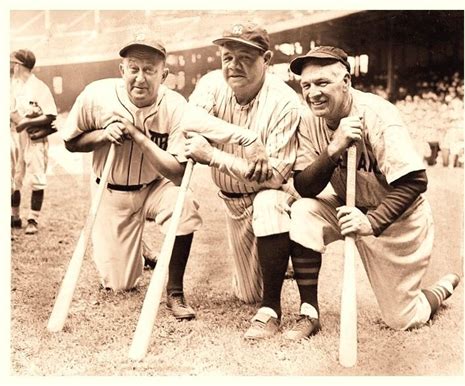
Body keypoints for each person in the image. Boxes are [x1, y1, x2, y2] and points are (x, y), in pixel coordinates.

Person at [285, 46, 460, 340]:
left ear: (347, 81)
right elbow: (305, 187)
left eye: (322, 83)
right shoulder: (307, 120)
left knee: (403, 318)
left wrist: (371, 222)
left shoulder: (378, 114)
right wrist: (333, 149)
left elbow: (416, 181)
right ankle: (308, 312)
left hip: (398, 220)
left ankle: (440, 289)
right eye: (306, 85)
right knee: (304, 212)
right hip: (345, 205)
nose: (313, 92)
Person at [61, 32, 202, 320]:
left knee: (183, 204)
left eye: (149, 70)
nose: (140, 77)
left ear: (164, 74)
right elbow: (70, 142)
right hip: (111, 192)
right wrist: (102, 135)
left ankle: (175, 292)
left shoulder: (175, 106)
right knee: (119, 284)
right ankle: (139, 248)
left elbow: (177, 174)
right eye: (134, 68)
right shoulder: (96, 94)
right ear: (121, 70)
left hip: (155, 187)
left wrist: (138, 136)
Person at [183, 22, 301, 339]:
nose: (234, 65)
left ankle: (278, 271)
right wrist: (247, 139)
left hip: (272, 195)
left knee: (269, 203)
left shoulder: (285, 101)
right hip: (231, 201)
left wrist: (215, 156)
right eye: (227, 56)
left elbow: (274, 176)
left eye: (245, 57)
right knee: (246, 294)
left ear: (267, 58)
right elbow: (188, 120)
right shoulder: (211, 83)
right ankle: (278, 257)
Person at [10, 49, 58, 235]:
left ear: (21, 65)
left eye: (14, 63)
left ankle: (33, 219)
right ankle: (14, 216)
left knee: (37, 178)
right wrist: (20, 121)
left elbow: (51, 115)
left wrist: (28, 122)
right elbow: (12, 111)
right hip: (18, 136)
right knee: (15, 177)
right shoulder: (14, 86)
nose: (12, 66)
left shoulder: (39, 87)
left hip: (35, 138)